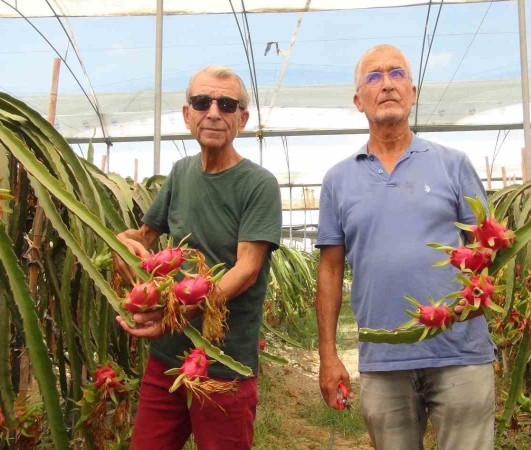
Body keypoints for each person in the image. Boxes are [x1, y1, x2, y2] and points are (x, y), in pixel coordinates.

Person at [315, 45, 495, 449]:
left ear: (413, 93)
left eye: (396, 74)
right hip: (382, 358)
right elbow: (329, 270)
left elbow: (486, 248)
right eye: (373, 77)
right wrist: (328, 355)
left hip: (461, 352)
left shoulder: (454, 164)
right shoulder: (338, 180)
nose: (387, 84)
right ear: (358, 100)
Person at [112, 65, 282, 450]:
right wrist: (122, 242)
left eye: (227, 104)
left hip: (224, 363)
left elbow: (246, 270)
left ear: (243, 117)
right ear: (188, 113)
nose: (214, 112)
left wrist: (174, 313)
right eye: (203, 102)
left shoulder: (259, 185)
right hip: (165, 356)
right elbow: (145, 234)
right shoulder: (180, 172)